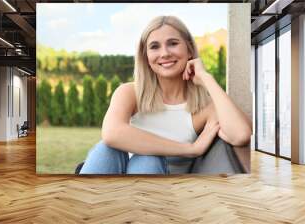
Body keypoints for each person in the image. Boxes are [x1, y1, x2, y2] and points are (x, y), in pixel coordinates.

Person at [79, 16, 251, 174]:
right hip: (120, 184)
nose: (165, 53)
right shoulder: (130, 92)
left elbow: (241, 134)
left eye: (173, 43)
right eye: (154, 46)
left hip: (165, 193)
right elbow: (112, 133)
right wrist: (190, 149)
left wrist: (207, 78)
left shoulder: (205, 105)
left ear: (189, 49)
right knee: (105, 149)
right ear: (146, 57)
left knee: (148, 160)